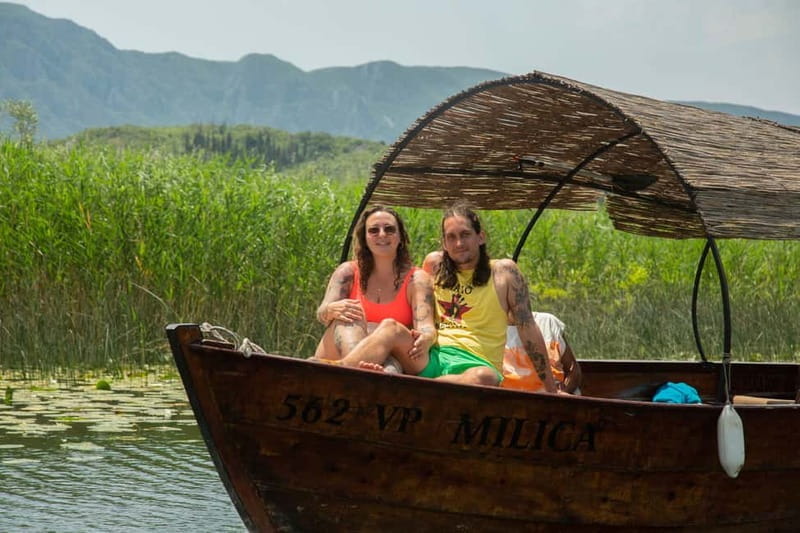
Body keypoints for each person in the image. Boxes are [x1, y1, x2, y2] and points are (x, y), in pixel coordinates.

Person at [337, 202, 559, 393]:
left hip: (476, 365)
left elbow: (527, 328)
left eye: (465, 235)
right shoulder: (434, 266)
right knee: (390, 328)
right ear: (444, 243)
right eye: (451, 238)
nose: (459, 244)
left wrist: (552, 389)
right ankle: (337, 371)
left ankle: (416, 385)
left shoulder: (504, 273)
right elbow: (416, 310)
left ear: (480, 237)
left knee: (484, 377)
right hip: (432, 357)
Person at [312, 205, 436, 366]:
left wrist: (426, 337)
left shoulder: (417, 279)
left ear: (401, 238)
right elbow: (322, 313)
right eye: (373, 230)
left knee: (390, 359)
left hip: (391, 355)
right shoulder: (347, 272)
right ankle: (358, 368)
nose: (382, 234)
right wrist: (330, 310)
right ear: (365, 238)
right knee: (350, 318)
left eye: (390, 229)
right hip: (343, 345)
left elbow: (426, 327)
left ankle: (350, 368)